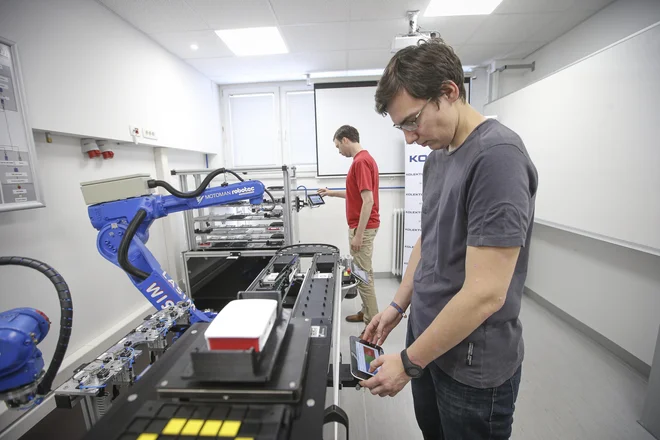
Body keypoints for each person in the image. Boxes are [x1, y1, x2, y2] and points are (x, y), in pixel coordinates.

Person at [360, 39, 538, 440]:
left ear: (449, 93)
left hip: (470, 364)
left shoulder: (497, 157)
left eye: (412, 121)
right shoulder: (438, 156)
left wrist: (406, 364)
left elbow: (486, 294)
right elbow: (428, 236)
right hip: (428, 343)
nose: (409, 138)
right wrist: (396, 305)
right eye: (400, 126)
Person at [318, 125, 380, 325]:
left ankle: (371, 322)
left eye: (338, 146)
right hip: (364, 226)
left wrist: (359, 235)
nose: (339, 151)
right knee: (362, 272)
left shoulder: (360, 162)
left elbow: (368, 201)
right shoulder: (365, 160)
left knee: (363, 276)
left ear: (345, 140)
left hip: (362, 228)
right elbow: (356, 196)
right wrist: (330, 193)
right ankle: (365, 311)